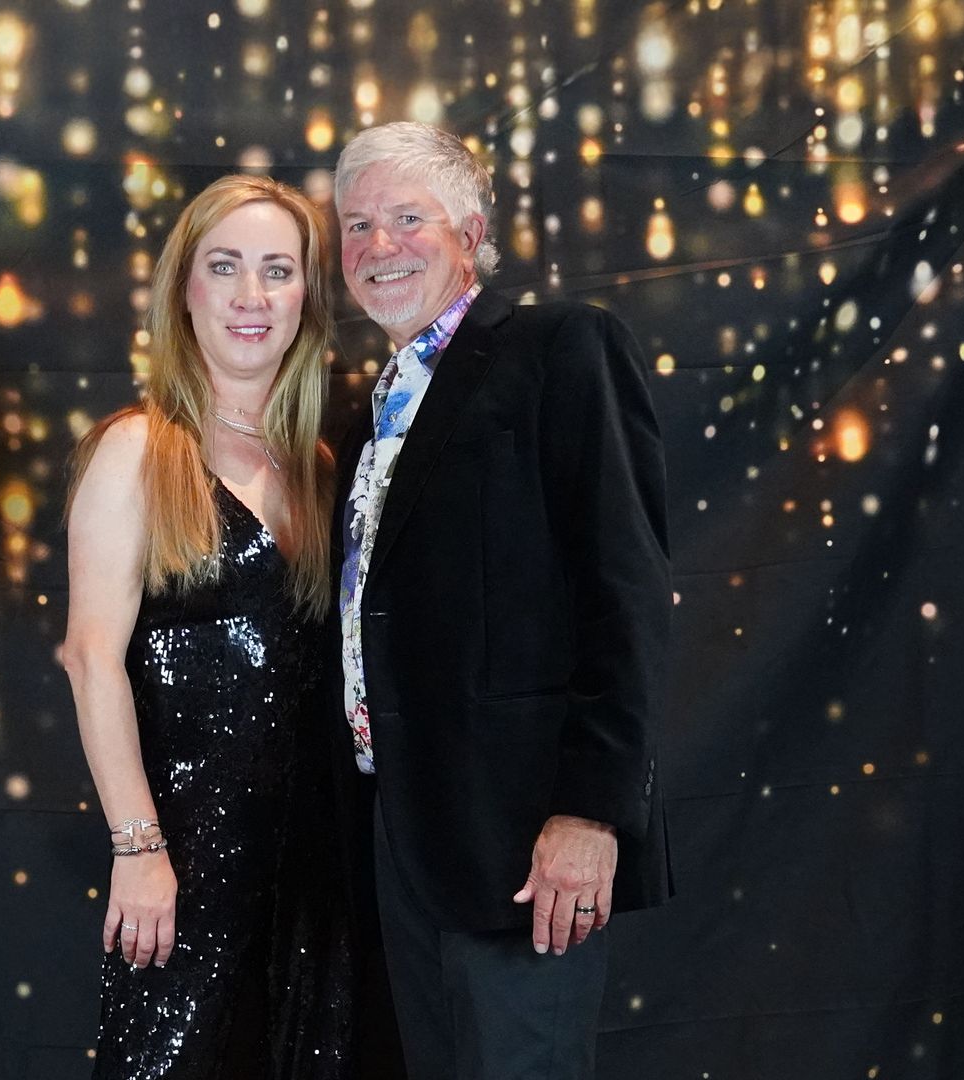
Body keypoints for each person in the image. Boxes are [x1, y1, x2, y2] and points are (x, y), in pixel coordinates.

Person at [329, 121, 674, 1080]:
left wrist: (591, 813)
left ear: (471, 234)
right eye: (357, 226)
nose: (380, 245)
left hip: (523, 840)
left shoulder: (559, 348)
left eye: (409, 219)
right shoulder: (369, 414)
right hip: (401, 835)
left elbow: (626, 591)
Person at [58, 174, 354, 1078]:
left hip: (313, 866)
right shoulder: (138, 451)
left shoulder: (321, 466)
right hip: (183, 860)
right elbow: (91, 659)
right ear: (184, 289)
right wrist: (138, 848)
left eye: (278, 270)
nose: (251, 295)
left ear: (306, 298)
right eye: (225, 267)